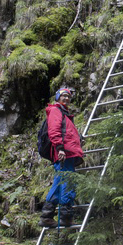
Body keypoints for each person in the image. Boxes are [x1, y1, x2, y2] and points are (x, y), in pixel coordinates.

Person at [40, 87, 84, 228]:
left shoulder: (64, 113)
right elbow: (54, 130)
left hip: (67, 152)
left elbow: (67, 132)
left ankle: (47, 216)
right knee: (67, 182)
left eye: (68, 97)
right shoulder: (55, 111)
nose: (66, 98)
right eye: (63, 96)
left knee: (60, 182)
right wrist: (60, 148)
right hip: (64, 153)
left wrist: (78, 138)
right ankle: (65, 217)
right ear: (58, 97)